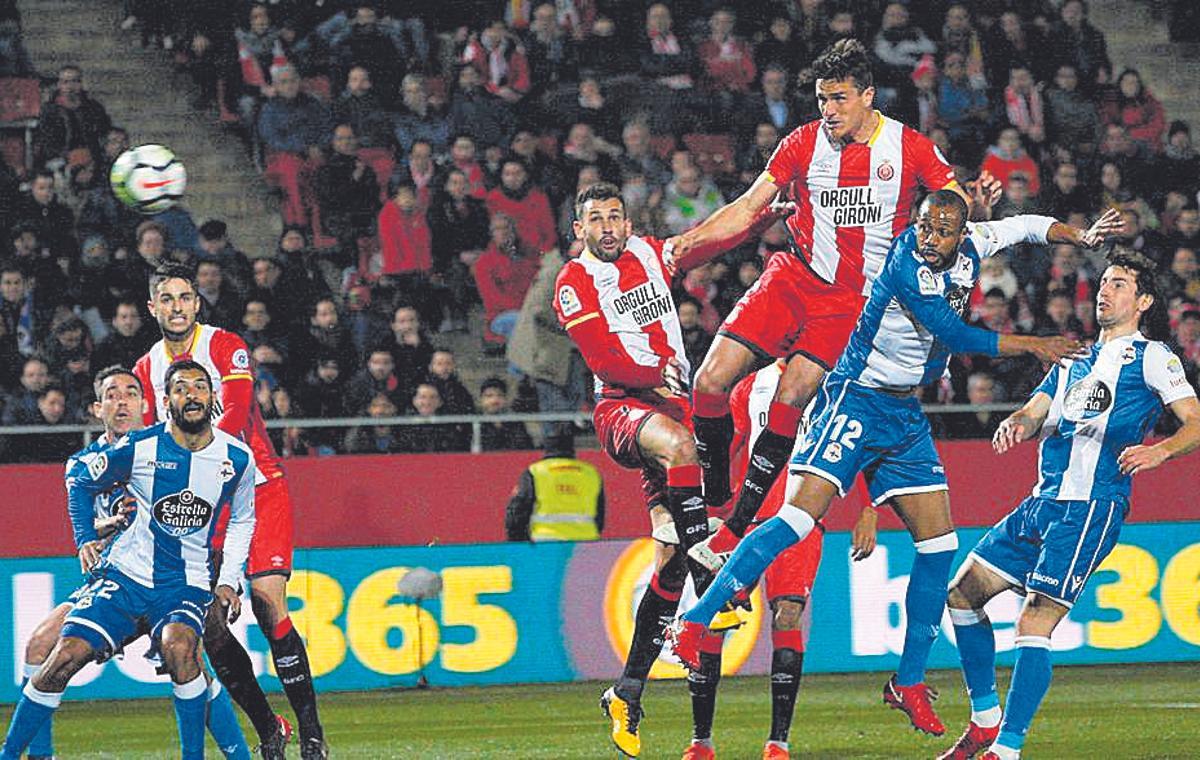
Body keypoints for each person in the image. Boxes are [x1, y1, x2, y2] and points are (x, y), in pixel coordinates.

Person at [668, 193, 1121, 737]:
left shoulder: (978, 242)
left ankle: (906, 681)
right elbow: (955, 335)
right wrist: (1035, 344)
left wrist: (1081, 236)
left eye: (942, 230)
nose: (929, 237)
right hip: (856, 396)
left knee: (939, 546)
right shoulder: (907, 263)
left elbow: (1026, 225)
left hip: (903, 412)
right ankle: (693, 624)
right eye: (924, 225)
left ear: (962, 233)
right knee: (796, 519)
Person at [666, 39, 988, 572]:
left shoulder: (909, 148)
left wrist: (973, 203)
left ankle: (736, 524)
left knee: (792, 393)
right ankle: (718, 489)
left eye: (838, 99)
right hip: (794, 277)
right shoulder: (801, 144)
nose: (829, 111)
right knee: (709, 381)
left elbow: (953, 205)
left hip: (856, 304)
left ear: (867, 96)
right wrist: (686, 246)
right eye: (821, 100)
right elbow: (749, 206)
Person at [938, 249, 1200, 760]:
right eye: (1104, 282)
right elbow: (1037, 409)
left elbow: (1195, 420)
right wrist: (1018, 421)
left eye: (1120, 284)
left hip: (1091, 507)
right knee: (961, 594)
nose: (1106, 291)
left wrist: (1160, 450)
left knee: (1034, 621)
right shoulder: (1075, 359)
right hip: (1041, 503)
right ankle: (986, 721)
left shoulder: (1152, 357)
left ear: (1143, 300)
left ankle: (1007, 750)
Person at [554, 182, 779, 757]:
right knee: (681, 446)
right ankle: (714, 583)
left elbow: (709, 236)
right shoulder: (574, 282)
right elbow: (603, 359)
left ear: (627, 223)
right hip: (622, 409)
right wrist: (655, 372)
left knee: (669, 558)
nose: (607, 227)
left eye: (615, 217)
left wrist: (759, 220)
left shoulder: (652, 254)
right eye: (595, 220)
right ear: (579, 229)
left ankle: (628, 690)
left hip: (670, 409)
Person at [0, 360, 255, 760]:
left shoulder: (233, 457)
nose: (122, 403)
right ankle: (34, 754)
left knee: (185, 655)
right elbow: (81, 488)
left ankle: (234, 752)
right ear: (97, 408)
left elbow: (241, 518)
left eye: (130, 394)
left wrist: (227, 577)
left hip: (181, 582)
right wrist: (90, 534)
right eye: (111, 396)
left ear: (148, 403)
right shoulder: (114, 455)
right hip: (119, 578)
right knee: (47, 649)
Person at [133, 265, 327, 759]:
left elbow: (235, 419)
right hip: (196, 506)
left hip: (254, 486)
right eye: (167, 299)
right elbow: (149, 444)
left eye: (185, 297)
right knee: (212, 627)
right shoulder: (145, 369)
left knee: (266, 601)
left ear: (198, 304)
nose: (177, 306)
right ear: (153, 308)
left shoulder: (224, 347)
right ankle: (269, 728)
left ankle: (312, 733)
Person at [681, 360, 878, 760]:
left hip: (801, 521)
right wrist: (699, 498)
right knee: (716, 622)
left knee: (788, 615)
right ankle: (701, 742)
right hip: (747, 523)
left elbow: (854, 448)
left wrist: (868, 509)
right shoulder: (750, 387)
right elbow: (724, 450)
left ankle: (778, 743)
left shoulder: (831, 384)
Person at [504, 427, 604, 541]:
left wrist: (517, 541)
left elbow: (518, 509)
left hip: (545, 542)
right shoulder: (590, 473)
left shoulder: (535, 471)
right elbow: (600, 514)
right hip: (585, 543)